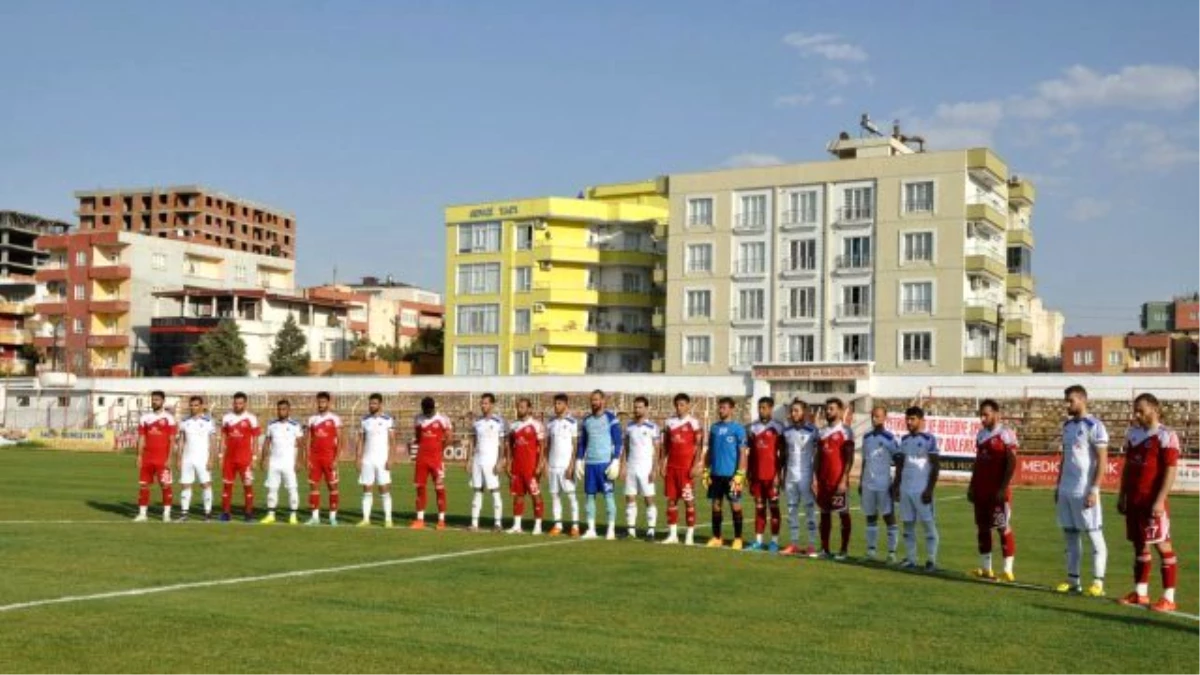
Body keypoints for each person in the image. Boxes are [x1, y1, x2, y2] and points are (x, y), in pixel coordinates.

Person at [1117, 393, 1180, 612]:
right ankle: (1140, 594)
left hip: (1152, 501)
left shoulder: (1166, 436)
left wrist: (1160, 500)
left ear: (1154, 409)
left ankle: (1168, 598)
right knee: (1139, 545)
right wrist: (1122, 494)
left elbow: (1171, 470)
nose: (1136, 415)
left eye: (1140, 410)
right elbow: (1127, 467)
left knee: (1163, 546)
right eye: (1135, 410)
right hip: (1134, 500)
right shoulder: (1133, 434)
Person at [1054, 384, 1110, 597]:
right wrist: (1058, 486)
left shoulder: (1094, 425)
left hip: (1084, 490)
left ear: (1082, 400)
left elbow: (1103, 460)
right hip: (1066, 490)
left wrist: (1094, 489)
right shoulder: (1067, 426)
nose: (1067, 404)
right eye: (1066, 401)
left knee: (1094, 536)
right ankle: (1073, 580)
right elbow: (1065, 458)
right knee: (1070, 536)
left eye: (1071, 400)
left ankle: (1098, 582)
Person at [969, 399, 1018, 582]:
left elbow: (1012, 462)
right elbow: (978, 463)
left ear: (996, 414)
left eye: (986, 415)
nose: (982, 418)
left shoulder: (1006, 434)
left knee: (1002, 527)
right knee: (982, 528)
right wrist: (972, 486)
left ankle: (1007, 569)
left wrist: (1003, 487)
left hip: (997, 491)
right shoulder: (981, 435)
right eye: (980, 415)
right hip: (981, 490)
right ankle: (986, 568)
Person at [892, 406, 940, 571]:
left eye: (912, 419)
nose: (909, 422)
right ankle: (911, 559)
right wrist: (896, 486)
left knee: (928, 525)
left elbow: (935, 466)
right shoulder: (904, 440)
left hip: (922, 489)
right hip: (906, 489)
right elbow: (900, 466)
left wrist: (929, 489)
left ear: (921, 420)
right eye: (907, 419)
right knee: (908, 526)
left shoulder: (929, 439)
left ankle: (931, 560)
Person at [570, 390, 622, 540]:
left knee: (608, 496)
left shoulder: (611, 419)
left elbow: (618, 441)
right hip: (590, 464)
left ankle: (610, 530)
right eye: (592, 400)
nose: (594, 403)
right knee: (589, 496)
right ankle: (591, 529)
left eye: (597, 400)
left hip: (605, 464)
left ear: (603, 400)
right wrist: (579, 460)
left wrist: (615, 460)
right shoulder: (587, 421)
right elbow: (582, 443)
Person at [703, 397, 748, 550]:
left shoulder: (738, 429)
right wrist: (706, 470)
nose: (721, 410)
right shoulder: (714, 428)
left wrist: (740, 474)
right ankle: (717, 537)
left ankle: (738, 539)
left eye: (724, 407)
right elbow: (709, 450)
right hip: (716, 474)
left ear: (731, 409)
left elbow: (742, 453)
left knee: (735, 506)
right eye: (720, 407)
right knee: (716, 506)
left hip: (732, 475)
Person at [813, 398, 854, 560]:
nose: (828, 411)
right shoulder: (821, 432)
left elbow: (849, 458)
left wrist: (844, 479)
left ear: (839, 410)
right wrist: (814, 478)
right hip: (823, 480)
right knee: (824, 514)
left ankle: (843, 550)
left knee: (843, 513)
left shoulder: (846, 431)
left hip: (838, 481)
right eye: (826, 409)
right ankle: (825, 549)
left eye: (831, 409)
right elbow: (817, 458)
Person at [660, 393, 703, 546]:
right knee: (671, 501)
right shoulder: (669, 423)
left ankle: (689, 536)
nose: (679, 408)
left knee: (688, 501)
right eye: (677, 405)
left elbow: (698, 447)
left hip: (686, 469)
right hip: (671, 468)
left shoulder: (694, 423)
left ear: (688, 405)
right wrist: (662, 463)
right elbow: (665, 446)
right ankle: (673, 535)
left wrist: (696, 465)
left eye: (682, 404)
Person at [860, 405, 900, 562]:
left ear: (885, 418)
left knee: (888, 516)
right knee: (870, 516)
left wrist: (895, 483)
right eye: (873, 416)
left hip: (884, 484)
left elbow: (898, 460)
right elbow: (865, 459)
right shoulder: (866, 437)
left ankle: (891, 553)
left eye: (878, 416)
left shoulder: (890, 438)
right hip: (868, 484)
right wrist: (861, 481)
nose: (875, 419)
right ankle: (871, 551)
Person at [781, 400, 819, 557]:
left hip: (806, 475)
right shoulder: (787, 431)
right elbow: (785, 455)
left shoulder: (813, 431)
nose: (793, 414)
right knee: (791, 511)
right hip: (790, 475)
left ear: (804, 412)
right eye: (792, 411)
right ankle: (794, 543)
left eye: (796, 410)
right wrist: (783, 475)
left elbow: (817, 455)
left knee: (809, 510)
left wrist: (815, 478)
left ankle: (811, 545)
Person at [746, 397, 784, 552]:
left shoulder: (778, 428)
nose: (761, 410)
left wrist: (778, 474)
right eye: (759, 407)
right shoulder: (752, 428)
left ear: (771, 409)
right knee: (759, 508)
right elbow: (751, 454)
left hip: (771, 476)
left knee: (774, 508)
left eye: (764, 408)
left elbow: (783, 454)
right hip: (756, 476)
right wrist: (749, 473)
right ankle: (758, 541)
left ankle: (774, 542)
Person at [621, 396, 660, 541]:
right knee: (629, 498)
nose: (637, 410)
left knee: (648, 498)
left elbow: (658, 449)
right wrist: (623, 465)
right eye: (635, 407)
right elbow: (625, 448)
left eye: (640, 407)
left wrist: (654, 469)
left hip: (646, 467)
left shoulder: (652, 427)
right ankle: (631, 530)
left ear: (646, 408)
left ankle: (651, 531)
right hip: (631, 466)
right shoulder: (629, 427)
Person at [506, 398, 546, 535]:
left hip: (531, 467)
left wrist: (540, 464)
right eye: (518, 407)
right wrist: (509, 462)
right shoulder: (513, 426)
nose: (520, 409)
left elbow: (542, 446)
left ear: (529, 409)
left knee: (536, 495)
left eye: (523, 407)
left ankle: (538, 525)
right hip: (517, 467)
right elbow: (510, 446)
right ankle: (517, 525)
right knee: (518, 495)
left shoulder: (536, 425)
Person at [466, 393, 506, 531]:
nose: (483, 406)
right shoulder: (477, 422)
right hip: (478, 460)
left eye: (486, 403)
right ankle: (474, 523)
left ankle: (498, 523)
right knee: (477, 490)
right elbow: (473, 442)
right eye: (482, 403)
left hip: (491, 461)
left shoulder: (498, 422)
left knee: (495, 490)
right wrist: (469, 460)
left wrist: (500, 461)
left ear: (492, 404)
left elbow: (502, 444)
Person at [135, 390, 176, 523]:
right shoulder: (144, 418)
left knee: (166, 485)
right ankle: (142, 514)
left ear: (163, 401)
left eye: (157, 399)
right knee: (144, 486)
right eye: (153, 399)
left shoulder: (169, 418)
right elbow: (141, 438)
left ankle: (166, 514)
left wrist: (170, 458)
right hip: (147, 458)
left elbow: (172, 440)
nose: (154, 402)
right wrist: (139, 456)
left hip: (163, 458)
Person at [260, 399, 303, 525]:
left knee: (292, 489)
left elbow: (301, 444)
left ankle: (293, 516)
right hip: (274, 462)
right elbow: (267, 442)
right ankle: (271, 514)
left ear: (289, 410)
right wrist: (264, 459)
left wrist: (299, 461)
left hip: (289, 463)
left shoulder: (295, 425)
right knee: (272, 489)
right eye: (279, 409)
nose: (281, 411)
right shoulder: (272, 424)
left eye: (284, 409)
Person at [412, 396, 452, 530]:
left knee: (439, 488)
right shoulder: (418, 418)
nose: (427, 412)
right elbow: (418, 437)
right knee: (420, 487)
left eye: (429, 410)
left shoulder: (443, 419)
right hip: (421, 459)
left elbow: (449, 438)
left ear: (434, 407)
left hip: (436, 459)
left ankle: (441, 520)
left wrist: (439, 450)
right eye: (425, 410)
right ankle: (420, 519)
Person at [219, 392, 260, 522]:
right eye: (236, 403)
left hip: (245, 459)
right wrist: (220, 455)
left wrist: (254, 458)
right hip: (229, 459)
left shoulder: (251, 418)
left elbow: (256, 439)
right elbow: (223, 437)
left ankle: (248, 513)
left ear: (245, 404)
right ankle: (226, 513)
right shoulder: (226, 418)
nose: (238, 405)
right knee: (227, 486)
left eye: (240, 403)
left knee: (247, 486)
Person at [356, 393, 395, 528]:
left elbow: (392, 440)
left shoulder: (388, 419)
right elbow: (360, 440)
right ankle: (366, 519)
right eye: (370, 403)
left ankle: (388, 519)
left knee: (384, 489)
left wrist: (391, 458)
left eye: (374, 403)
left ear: (380, 404)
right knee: (366, 488)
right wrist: (358, 458)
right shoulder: (364, 420)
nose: (371, 406)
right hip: (367, 459)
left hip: (382, 459)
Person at [303, 392, 342, 526]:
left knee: (333, 486)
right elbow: (308, 440)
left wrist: (336, 458)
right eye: (319, 402)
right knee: (313, 486)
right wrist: (307, 457)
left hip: (329, 457)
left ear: (328, 403)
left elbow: (341, 440)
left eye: (323, 402)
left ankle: (332, 517)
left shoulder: (334, 419)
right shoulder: (312, 419)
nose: (321, 404)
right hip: (315, 458)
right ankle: (315, 517)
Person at [175, 395, 215, 521]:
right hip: (187, 458)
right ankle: (184, 514)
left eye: (196, 405)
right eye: (191, 405)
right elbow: (181, 440)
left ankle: (207, 514)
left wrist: (211, 459)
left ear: (202, 406)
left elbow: (213, 442)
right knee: (185, 485)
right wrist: (179, 458)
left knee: (206, 484)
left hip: (203, 459)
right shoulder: (184, 421)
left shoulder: (208, 421)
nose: (193, 407)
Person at [545, 394, 580, 537]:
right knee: (555, 496)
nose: (556, 406)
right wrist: (546, 463)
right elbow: (548, 445)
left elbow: (575, 445)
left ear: (566, 405)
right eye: (555, 404)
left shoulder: (572, 422)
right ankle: (557, 525)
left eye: (559, 403)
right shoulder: (551, 423)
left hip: (566, 466)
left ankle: (575, 526)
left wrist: (572, 465)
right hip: (553, 465)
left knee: (571, 496)